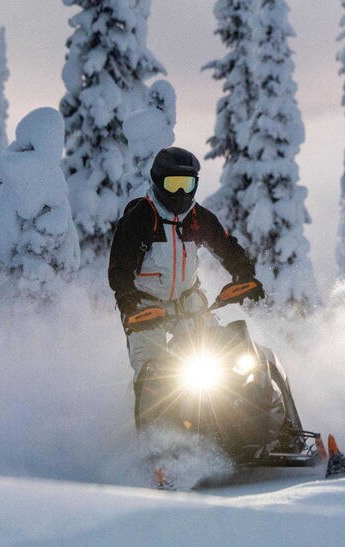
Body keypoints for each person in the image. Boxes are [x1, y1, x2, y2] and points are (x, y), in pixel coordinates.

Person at [108, 146, 263, 378]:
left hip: (188, 302)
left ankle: (248, 404)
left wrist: (243, 273)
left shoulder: (198, 218)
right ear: (158, 182)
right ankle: (141, 410)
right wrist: (127, 299)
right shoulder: (138, 219)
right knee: (150, 373)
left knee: (222, 357)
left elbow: (226, 246)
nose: (181, 192)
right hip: (145, 308)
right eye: (173, 184)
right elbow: (120, 267)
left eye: (187, 184)